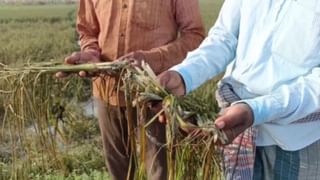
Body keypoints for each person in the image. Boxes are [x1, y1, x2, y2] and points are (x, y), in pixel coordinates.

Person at [157, 0, 320, 179]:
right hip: (235, 129)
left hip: (297, 142)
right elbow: (224, 39)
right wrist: (183, 76)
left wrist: (255, 110)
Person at [56, 0, 205, 179]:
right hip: (107, 90)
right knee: (119, 171)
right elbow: (88, 31)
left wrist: (154, 59)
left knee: (160, 171)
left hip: (155, 94)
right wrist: (91, 52)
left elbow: (194, 36)